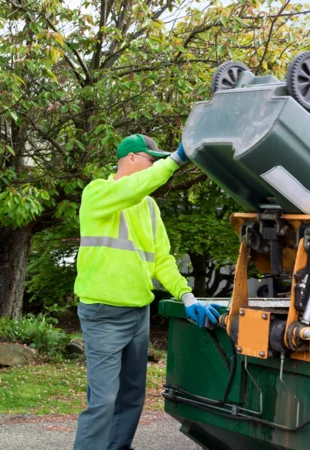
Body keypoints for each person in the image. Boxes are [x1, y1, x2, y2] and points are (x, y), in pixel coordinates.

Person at [73, 134, 221, 450]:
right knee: (103, 400)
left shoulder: (150, 207)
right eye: (151, 159)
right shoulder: (97, 193)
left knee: (132, 395)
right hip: (103, 312)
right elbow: (132, 188)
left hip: (138, 312)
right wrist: (177, 160)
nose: (154, 166)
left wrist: (186, 295)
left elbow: (162, 260)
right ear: (130, 158)